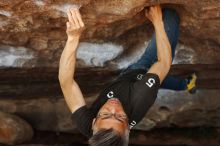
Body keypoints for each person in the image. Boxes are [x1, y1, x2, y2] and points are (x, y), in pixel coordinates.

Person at [58, 5, 197, 146]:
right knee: (170, 17)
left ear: (93, 123)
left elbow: (66, 82)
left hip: (129, 80)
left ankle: (185, 84)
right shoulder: (141, 98)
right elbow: (163, 63)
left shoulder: (89, 126)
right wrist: (157, 22)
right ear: (128, 129)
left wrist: (73, 38)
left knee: (158, 82)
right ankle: (186, 84)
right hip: (143, 71)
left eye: (105, 114)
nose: (113, 107)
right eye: (120, 116)